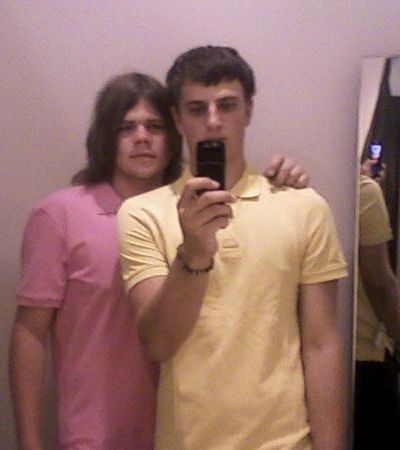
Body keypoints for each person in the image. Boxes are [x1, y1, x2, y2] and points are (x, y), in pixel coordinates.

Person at [9, 70, 309, 450]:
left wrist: (283, 184)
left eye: (154, 127)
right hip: (98, 432)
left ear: (175, 133)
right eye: (126, 127)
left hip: (193, 431)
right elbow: (30, 332)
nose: (141, 138)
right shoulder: (59, 216)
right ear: (104, 136)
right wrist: (29, 442)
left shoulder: (206, 209)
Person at [118, 46, 348, 450]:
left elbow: (322, 343)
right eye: (197, 109)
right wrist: (194, 253)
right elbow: (158, 343)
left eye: (227, 105)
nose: (213, 121)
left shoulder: (304, 206)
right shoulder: (142, 214)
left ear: (248, 111)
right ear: (177, 118)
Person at [355, 172, 400, 449]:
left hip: (300, 358)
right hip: (366, 350)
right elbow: (380, 283)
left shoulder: (278, 192)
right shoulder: (363, 191)